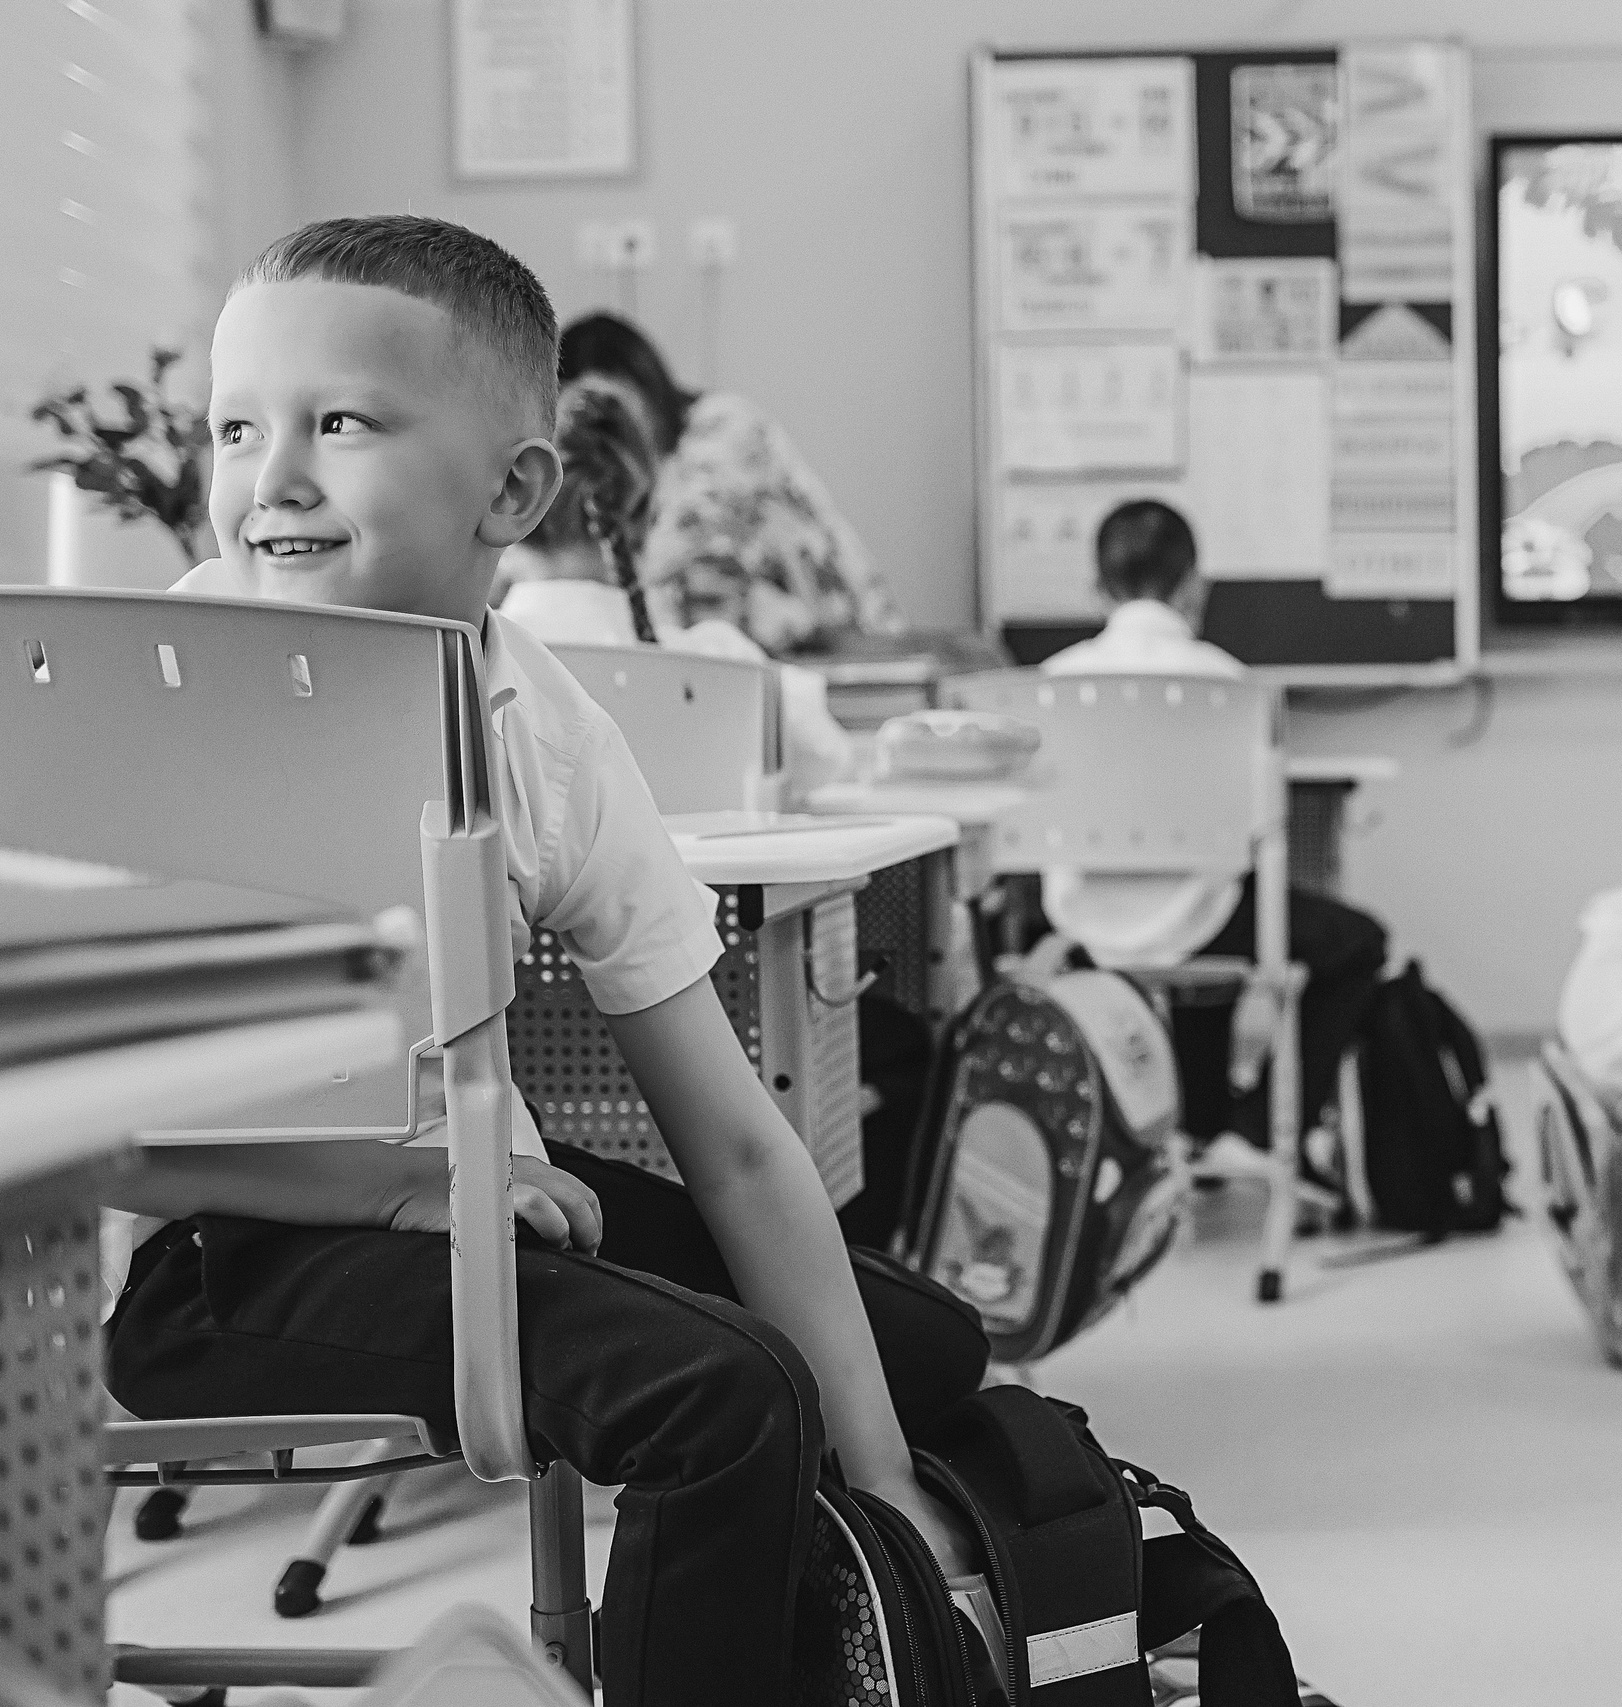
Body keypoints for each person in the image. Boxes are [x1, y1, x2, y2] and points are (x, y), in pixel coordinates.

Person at [105, 214, 982, 1706]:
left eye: (339, 421)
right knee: (731, 1398)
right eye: (235, 427)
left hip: (471, 1205)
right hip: (222, 1255)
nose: (274, 478)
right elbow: (95, 1133)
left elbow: (742, 1147)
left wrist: (889, 1475)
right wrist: (391, 1181)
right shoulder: (140, 693)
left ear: (514, 488)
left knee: (919, 1349)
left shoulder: (547, 726)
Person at [1040, 499, 1389, 1153]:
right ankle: (1256, 1129)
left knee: (1220, 913)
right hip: (1202, 919)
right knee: (1354, 941)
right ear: (1193, 584)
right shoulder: (1229, 686)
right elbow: (1259, 826)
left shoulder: (1053, 683)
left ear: (1096, 587)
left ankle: (1162, 1125)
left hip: (1078, 921)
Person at [496, 374, 862, 798]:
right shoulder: (723, 665)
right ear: (647, 518)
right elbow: (830, 758)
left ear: (520, 503)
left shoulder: (474, 666)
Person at [557, 311, 904, 654]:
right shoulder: (647, 464)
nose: (602, 425)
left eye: (610, 405)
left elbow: (663, 551)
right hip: (783, 644)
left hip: (848, 634)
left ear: (642, 384)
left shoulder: (723, 426)